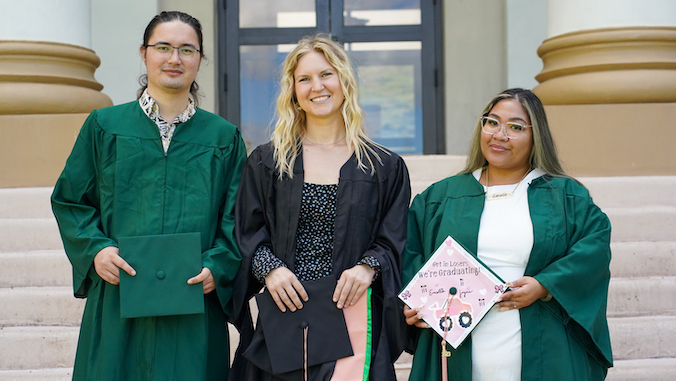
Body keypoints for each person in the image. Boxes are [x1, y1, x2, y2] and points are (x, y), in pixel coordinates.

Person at [51, 11, 246, 380]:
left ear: (200, 60)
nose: (175, 58)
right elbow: (70, 200)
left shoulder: (223, 138)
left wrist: (217, 267)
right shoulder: (106, 126)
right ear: (144, 54)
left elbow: (237, 217)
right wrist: (96, 250)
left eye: (187, 50)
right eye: (163, 47)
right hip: (120, 292)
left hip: (193, 300)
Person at [231, 35, 411, 380]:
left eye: (326, 74)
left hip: (353, 316)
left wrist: (368, 267)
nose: (318, 86)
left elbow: (396, 239)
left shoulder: (383, 167)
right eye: (305, 79)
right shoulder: (270, 162)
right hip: (287, 313)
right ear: (293, 92)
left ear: (344, 81)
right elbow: (246, 231)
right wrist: (270, 269)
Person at [402, 88, 613, 381]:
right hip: (456, 345)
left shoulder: (566, 196)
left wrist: (544, 284)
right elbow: (410, 254)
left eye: (515, 127)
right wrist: (416, 303)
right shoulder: (439, 197)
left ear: (535, 136)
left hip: (541, 346)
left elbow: (593, 249)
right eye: (491, 122)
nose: (499, 135)